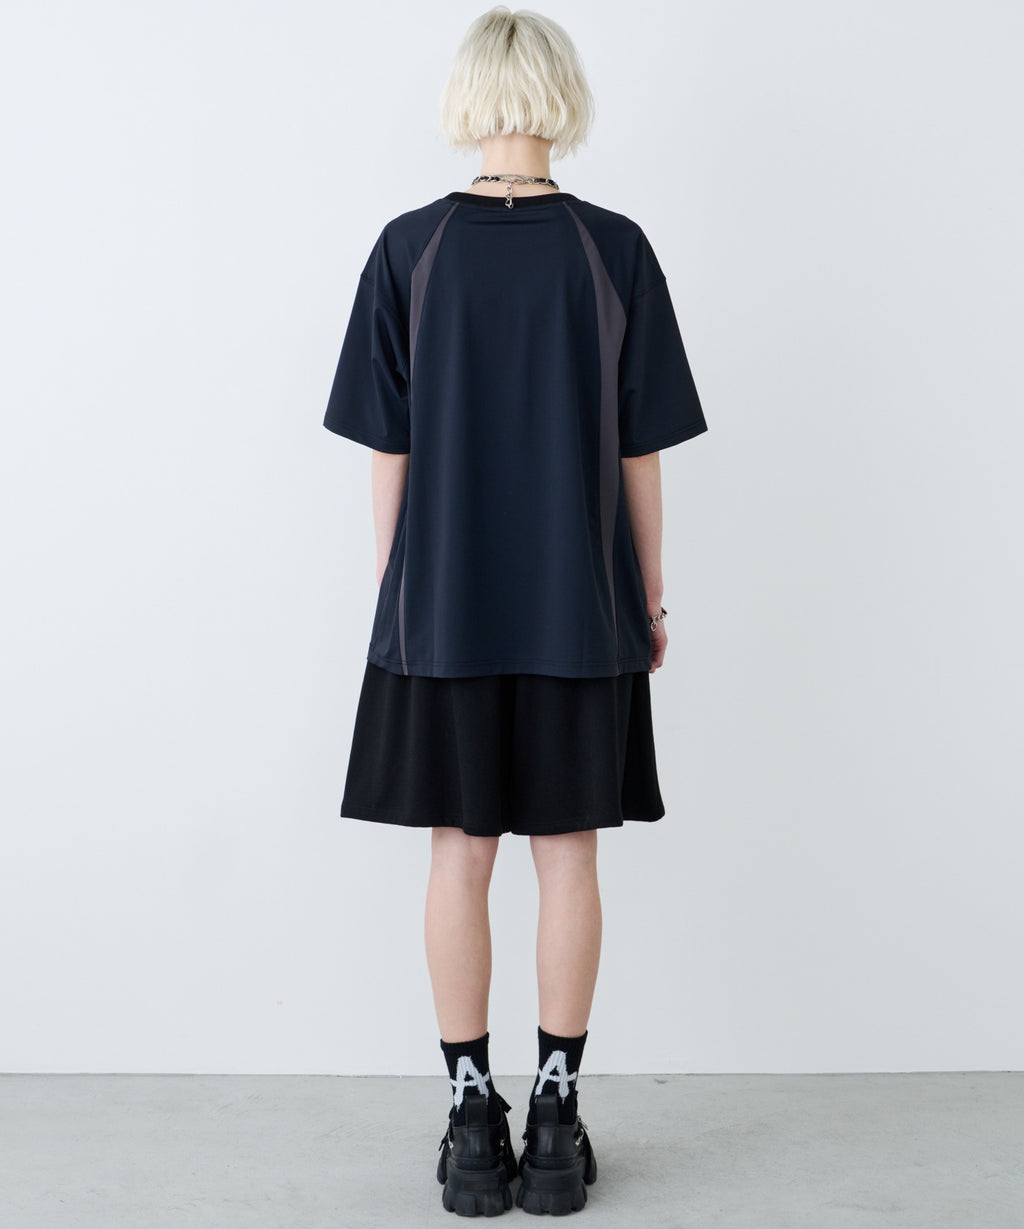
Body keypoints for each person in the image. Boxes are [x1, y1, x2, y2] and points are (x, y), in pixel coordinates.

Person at [322, 5, 708, 1217]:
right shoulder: (613, 249)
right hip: (577, 605)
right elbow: (641, 451)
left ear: (467, 99)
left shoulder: (409, 248)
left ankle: (468, 1119)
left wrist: (400, 594)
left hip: (441, 607)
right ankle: (553, 1117)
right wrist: (647, 593)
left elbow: (386, 449)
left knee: (459, 850)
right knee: (568, 854)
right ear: (559, 95)